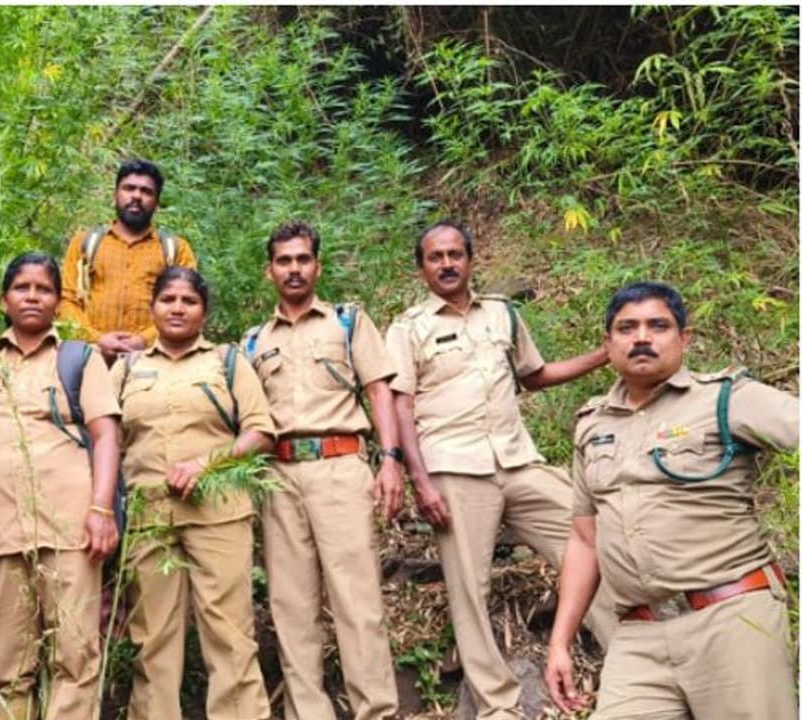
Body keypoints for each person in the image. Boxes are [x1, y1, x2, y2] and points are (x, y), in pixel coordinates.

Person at [385, 221, 617, 720]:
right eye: (435, 257)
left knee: (589, 542)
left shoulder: (503, 315)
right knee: (470, 589)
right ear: (422, 268)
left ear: (471, 259)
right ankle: (498, 706)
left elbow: (535, 376)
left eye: (454, 254)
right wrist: (419, 481)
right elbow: (400, 407)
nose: (446, 264)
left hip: (516, 458)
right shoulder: (409, 328)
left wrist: (603, 355)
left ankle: (627, 670)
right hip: (454, 466)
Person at [544, 281, 798, 720]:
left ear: (684, 338)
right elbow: (585, 540)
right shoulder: (591, 425)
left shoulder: (725, 399)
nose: (641, 337)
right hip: (638, 635)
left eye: (658, 325)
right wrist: (560, 641)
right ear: (608, 344)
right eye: (627, 328)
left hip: (730, 617)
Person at [242, 219, 403, 720]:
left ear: (317, 265)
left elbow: (379, 390)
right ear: (270, 270)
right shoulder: (252, 341)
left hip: (341, 467)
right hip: (279, 475)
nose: (294, 269)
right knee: (292, 607)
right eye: (284, 261)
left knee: (357, 601)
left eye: (303, 259)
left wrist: (391, 461)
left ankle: (375, 709)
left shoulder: (348, 321)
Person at [107, 267, 274, 720]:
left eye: (189, 301)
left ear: (204, 311)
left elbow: (260, 431)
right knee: (153, 638)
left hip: (219, 514)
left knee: (229, 634)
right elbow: (106, 443)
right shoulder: (127, 369)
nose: (178, 308)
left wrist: (207, 464)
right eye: (168, 299)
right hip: (149, 519)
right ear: (153, 308)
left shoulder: (226, 361)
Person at [0, 252, 120, 720]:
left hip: (70, 531)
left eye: (44, 289)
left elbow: (106, 434)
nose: (33, 296)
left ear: (58, 302)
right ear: (3, 300)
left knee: (75, 659)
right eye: (22, 288)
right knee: (3, 666)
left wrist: (102, 509)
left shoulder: (80, 359)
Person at [58, 159, 197, 361]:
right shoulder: (84, 243)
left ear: (157, 203)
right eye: (129, 188)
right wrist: (97, 339)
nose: (136, 196)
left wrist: (144, 340)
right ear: (115, 195)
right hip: (89, 358)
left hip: (153, 360)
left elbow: (186, 306)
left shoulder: (176, 249)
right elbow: (66, 300)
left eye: (146, 191)